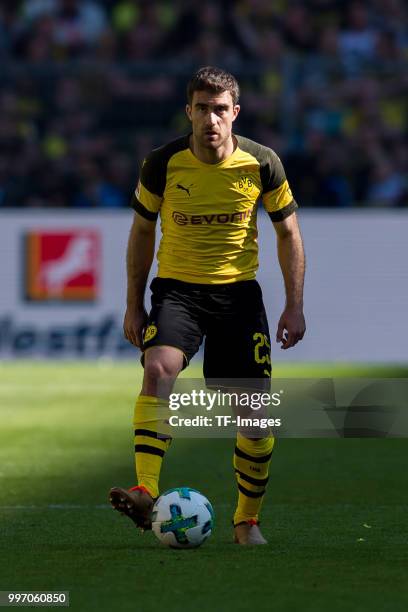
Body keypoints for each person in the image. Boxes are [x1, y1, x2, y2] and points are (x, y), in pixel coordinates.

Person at [109, 66, 306, 545]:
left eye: (220, 110)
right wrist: (134, 304)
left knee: (254, 417)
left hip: (238, 297)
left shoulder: (262, 163)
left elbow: (288, 233)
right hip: (177, 291)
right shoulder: (162, 163)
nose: (211, 119)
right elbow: (141, 232)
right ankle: (145, 492)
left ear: (235, 113)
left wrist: (294, 304)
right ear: (189, 112)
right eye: (202, 109)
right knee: (157, 369)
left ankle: (246, 520)